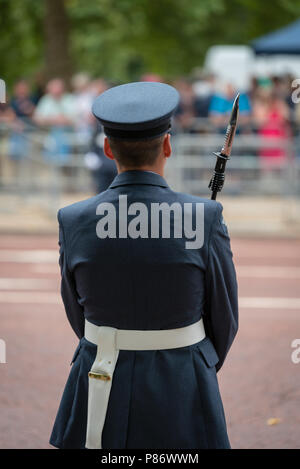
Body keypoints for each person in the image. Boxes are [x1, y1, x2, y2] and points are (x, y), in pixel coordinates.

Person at [50, 81, 238, 449]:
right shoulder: (205, 216)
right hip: (183, 375)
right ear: (168, 145)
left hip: (100, 368)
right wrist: (198, 358)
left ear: (107, 148)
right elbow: (224, 315)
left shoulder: (72, 219)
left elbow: (76, 310)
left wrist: (111, 340)